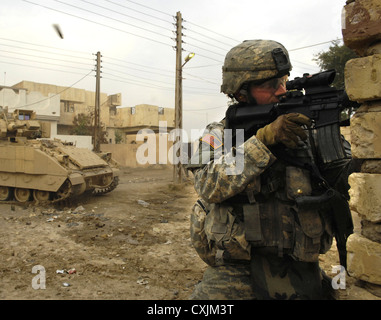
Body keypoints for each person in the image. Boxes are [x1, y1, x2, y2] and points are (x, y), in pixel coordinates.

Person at [187, 40, 354, 300]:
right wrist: (263, 141)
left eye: (283, 81)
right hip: (237, 270)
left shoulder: (305, 128)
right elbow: (208, 184)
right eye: (269, 85)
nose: (281, 91)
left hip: (301, 266)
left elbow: (350, 183)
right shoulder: (220, 134)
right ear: (241, 92)